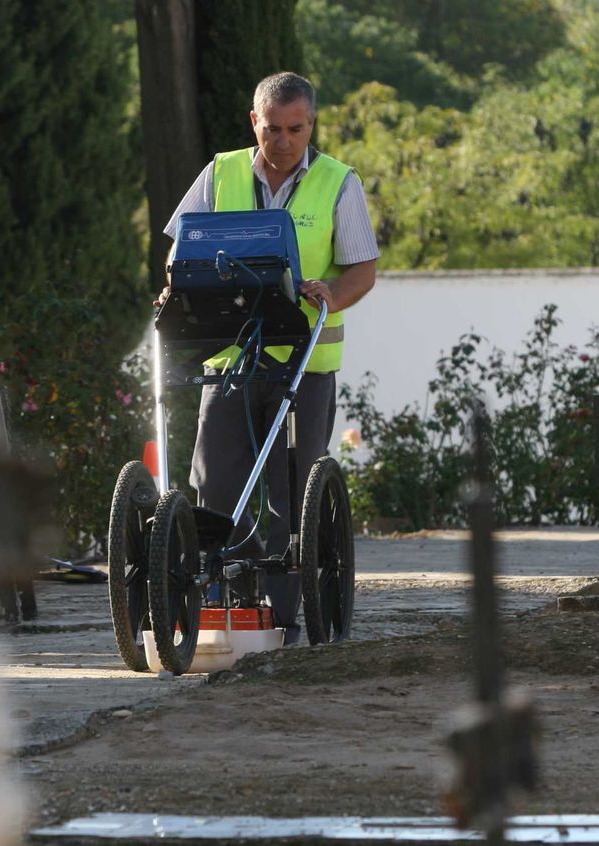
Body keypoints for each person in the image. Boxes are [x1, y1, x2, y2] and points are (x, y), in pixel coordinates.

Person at [161, 72, 379, 643]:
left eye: (296, 129)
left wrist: (333, 293)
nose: (283, 141)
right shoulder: (221, 173)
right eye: (273, 128)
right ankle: (230, 598)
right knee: (215, 479)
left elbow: (362, 270)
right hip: (231, 359)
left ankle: (282, 619)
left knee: (292, 491)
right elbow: (178, 252)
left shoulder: (338, 183)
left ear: (311, 125)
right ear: (253, 122)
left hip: (305, 364)